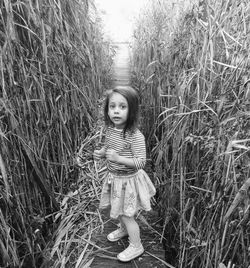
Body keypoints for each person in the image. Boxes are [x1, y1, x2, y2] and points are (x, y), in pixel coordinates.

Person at [93, 86, 156, 262]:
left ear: (132, 110)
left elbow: (140, 162)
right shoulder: (111, 130)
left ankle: (137, 245)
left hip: (129, 181)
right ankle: (123, 229)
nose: (116, 111)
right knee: (119, 209)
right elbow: (109, 147)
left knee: (128, 215)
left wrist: (119, 158)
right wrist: (102, 152)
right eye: (112, 106)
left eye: (122, 107)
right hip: (115, 178)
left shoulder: (135, 136)